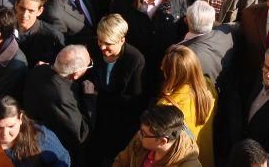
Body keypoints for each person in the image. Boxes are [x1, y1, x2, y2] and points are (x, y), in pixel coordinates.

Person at [88, 14, 145, 164]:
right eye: (100, 41)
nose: (102, 47)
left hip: (119, 122)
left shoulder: (134, 59)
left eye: (108, 43)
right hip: (95, 116)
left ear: (122, 40)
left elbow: (134, 99)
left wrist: (98, 95)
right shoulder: (93, 48)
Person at [21, 44, 92, 161]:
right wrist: (89, 98)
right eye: (88, 65)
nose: (89, 66)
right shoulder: (62, 98)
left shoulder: (38, 69)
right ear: (76, 74)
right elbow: (81, 134)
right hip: (48, 149)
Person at [157, 45, 215, 167]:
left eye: (165, 68)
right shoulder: (208, 87)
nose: (161, 68)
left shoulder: (165, 106)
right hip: (205, 158)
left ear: (173, 74)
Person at [113, 104, 202, 167]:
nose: (139, 134)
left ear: (162, 141)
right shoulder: (140, 141)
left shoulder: (189, 164)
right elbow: (121, 161)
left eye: (144, 133)